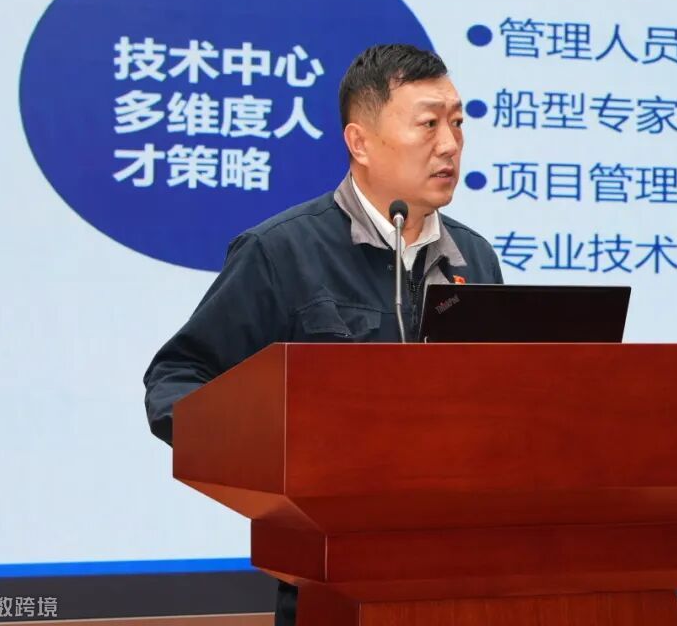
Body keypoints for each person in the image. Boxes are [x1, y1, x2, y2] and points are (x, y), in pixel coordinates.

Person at [142, 43, 503, 625]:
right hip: (334, 584)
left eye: (458, 123)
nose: (450, 144)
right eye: (428, 124)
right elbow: (178, 381)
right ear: (360, 142)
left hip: (465, 579)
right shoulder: (281, 252)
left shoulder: (475, 259)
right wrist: (278, 476)